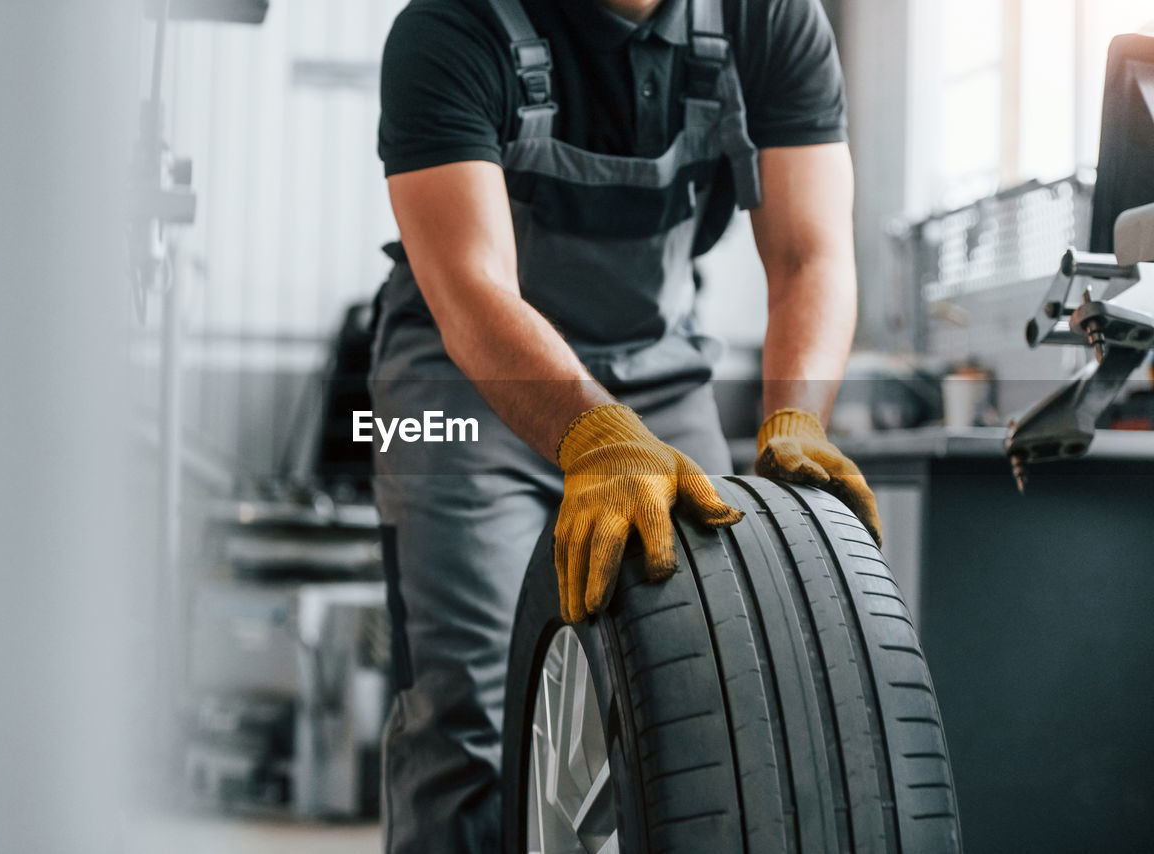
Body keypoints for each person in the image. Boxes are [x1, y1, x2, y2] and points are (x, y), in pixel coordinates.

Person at [370, 0, 882, 849]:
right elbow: (470, 287)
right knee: (464, 709)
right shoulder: (451, 26)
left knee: (716, 681)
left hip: (661, 372)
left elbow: (810, 255)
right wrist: (593, 433)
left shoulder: (771, 21)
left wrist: (797, 414)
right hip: (460, 378)